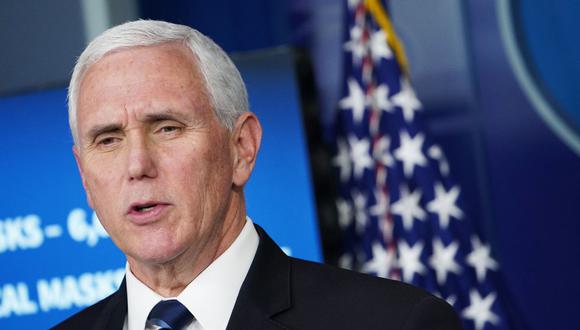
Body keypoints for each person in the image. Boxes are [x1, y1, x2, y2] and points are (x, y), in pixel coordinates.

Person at [52, 20, 462, 330]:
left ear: (241, 148)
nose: (137, 165)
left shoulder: (394, 323)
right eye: (107, 140)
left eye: (167, 128)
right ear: (85, 179)